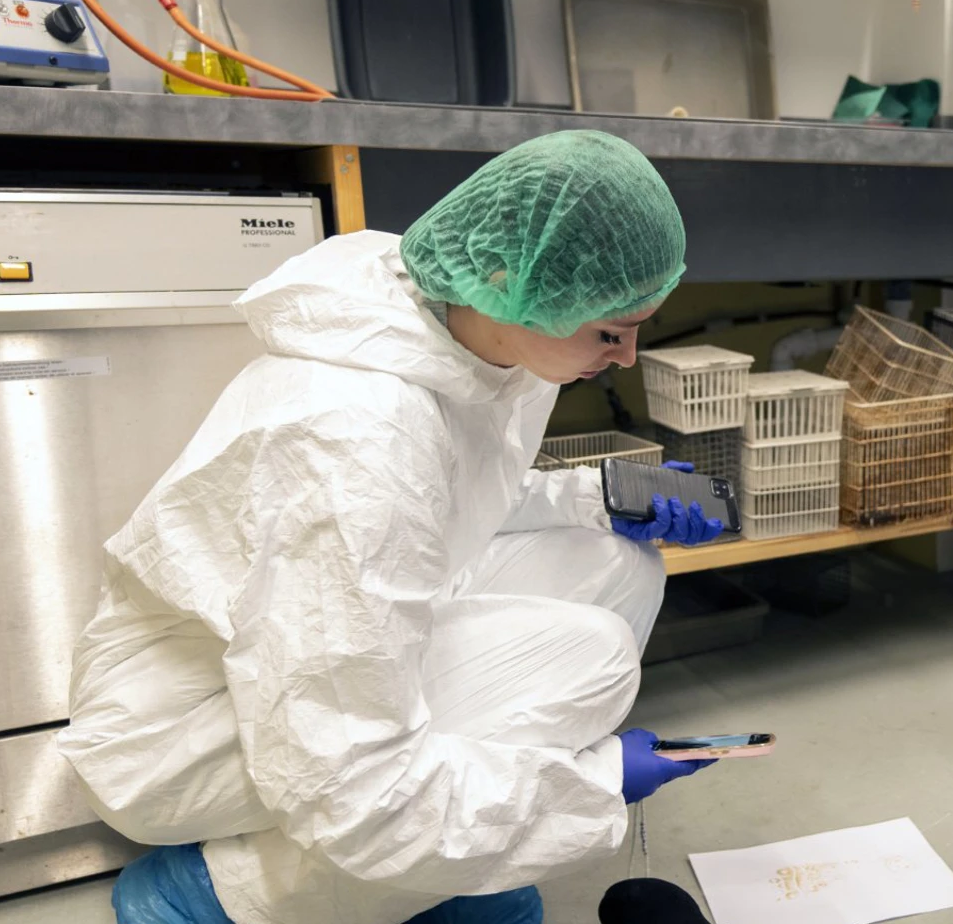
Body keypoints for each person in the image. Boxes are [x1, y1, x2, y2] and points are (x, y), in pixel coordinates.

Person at [60, 130, 725, 924]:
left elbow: (446, 499)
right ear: (506, 278)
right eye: (610, 332)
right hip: (182, 729)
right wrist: (588, 789)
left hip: (300, 657)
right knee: (595, 662)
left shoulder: (475, 331)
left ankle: (430, 864)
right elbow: (347, 782)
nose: (626, 357)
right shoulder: (356, 433)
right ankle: (222, 894)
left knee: (619, 563)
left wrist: (596, 497)